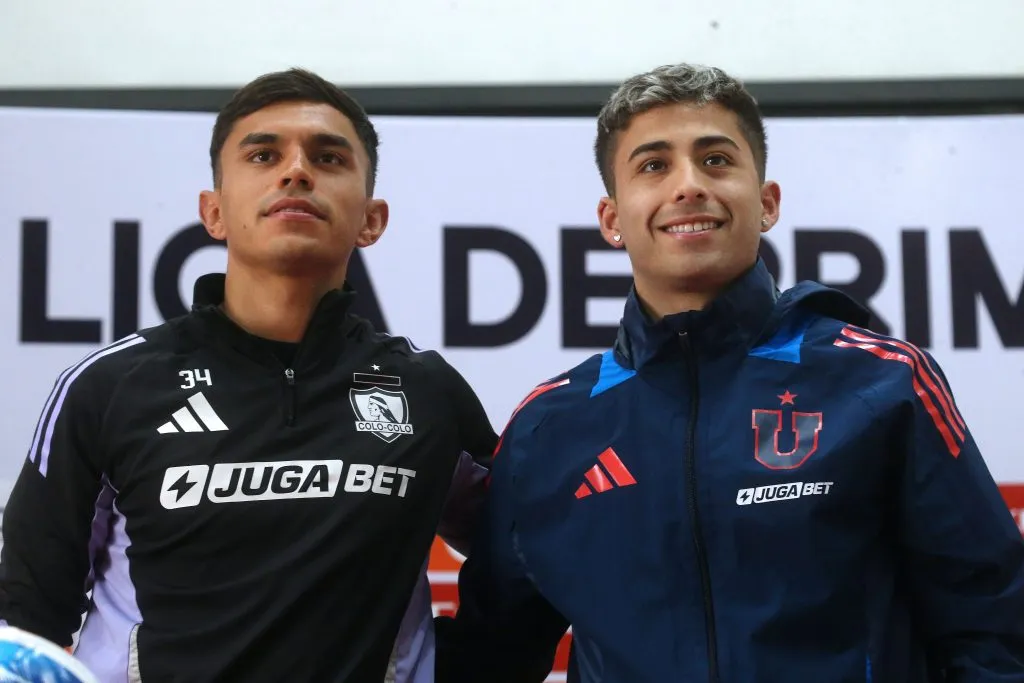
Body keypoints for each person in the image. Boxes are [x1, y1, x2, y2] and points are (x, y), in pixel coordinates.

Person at [434, 63, 1024, 682]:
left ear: (766, 203)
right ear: (612, 219)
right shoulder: (547, 427)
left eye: (716, 160)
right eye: (653, 166)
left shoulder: (882, 382)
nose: (688, 186)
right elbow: (489, 653)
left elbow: (992, 630)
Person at [0, 68, 494, 682]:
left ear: (372, 218)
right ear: (214, 213)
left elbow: (534, 557)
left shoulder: (428, 391)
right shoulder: (107, 386)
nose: (295, 171)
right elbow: (25, 614)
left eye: (328, 157)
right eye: (264, 154)